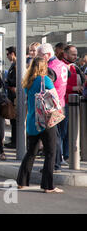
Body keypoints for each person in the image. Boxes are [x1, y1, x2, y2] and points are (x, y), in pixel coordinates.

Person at [16, 57, 64, 193]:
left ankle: (22, 181)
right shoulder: (46, 80)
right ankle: (48, 185)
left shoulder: (27, 82)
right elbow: (55, 99)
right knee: (50, 153)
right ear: (44, 67)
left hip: (32, 121)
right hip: (46, 121)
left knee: (31, 152)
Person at [38, 43, 68, 172]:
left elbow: (46, 88)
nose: (38, 59)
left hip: (52, 106)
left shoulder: (50, 68)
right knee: (58, 136)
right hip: (62, 103)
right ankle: (56, 163)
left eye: (40, 56)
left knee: (53, 137)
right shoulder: (62, 65)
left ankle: (55, 164)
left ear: (47, 55)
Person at [62, 44, 85, 161]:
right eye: (73, 54)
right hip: (65, 102)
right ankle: (63, 155)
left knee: (72, 130)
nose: (76, 56)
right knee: (64, 131)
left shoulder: (75, 67)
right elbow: (60, 85)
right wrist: (74, 88)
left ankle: (68, 154)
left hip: (75, 102)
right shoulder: (61, 66)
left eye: (76, 54)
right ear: (65, 54)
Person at [4, 46, 17, 149]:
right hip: (11, 95)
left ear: (12, 54)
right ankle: (14, 140)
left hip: (15, 96)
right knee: (13, 119)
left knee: (15, 119)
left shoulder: (17, 65)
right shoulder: (13, 65)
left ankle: (16, 141)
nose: (7, 56)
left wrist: (7, 82)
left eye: (7, 54)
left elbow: (15, 80)